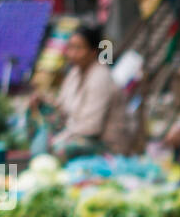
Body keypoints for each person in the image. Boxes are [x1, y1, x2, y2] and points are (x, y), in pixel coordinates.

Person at [34, 26, 127, 158]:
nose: (72, 54)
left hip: (103, 143)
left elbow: (92, 127)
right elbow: (62, 107)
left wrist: (62, 137)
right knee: (40, 121)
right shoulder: (74, 73)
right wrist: (43, 102)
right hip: (76, 132)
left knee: (59, 149)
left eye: (78, 48)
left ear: (93, 51)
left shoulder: (100, 76)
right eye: (70, 47)